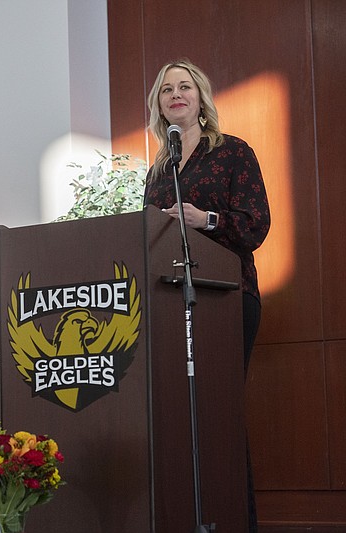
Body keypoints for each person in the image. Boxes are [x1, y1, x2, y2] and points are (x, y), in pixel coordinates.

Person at [143, 59, 270, 533]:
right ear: (159, 104)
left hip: (227, 296)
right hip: (169, 303)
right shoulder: (159, 169)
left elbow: (255, 225)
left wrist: (207, 220)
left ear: (201, 98)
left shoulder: (233, 152)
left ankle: (237, 521)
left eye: (185, 87)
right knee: (180, 418)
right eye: (166, 89)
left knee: (219, 414)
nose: (176, 94)